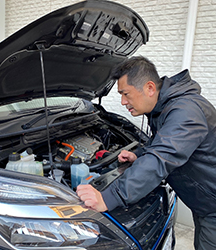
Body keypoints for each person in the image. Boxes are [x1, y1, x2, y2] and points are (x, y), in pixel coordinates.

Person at [76, 56, 216, 250]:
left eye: (126, 94)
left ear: (150, 88)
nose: (123, 102)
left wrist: (107, 198)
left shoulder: (186, 111)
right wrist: (140, 155)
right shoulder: (166, 107)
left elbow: (161, 158)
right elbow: (162, 143)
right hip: (205, 203)